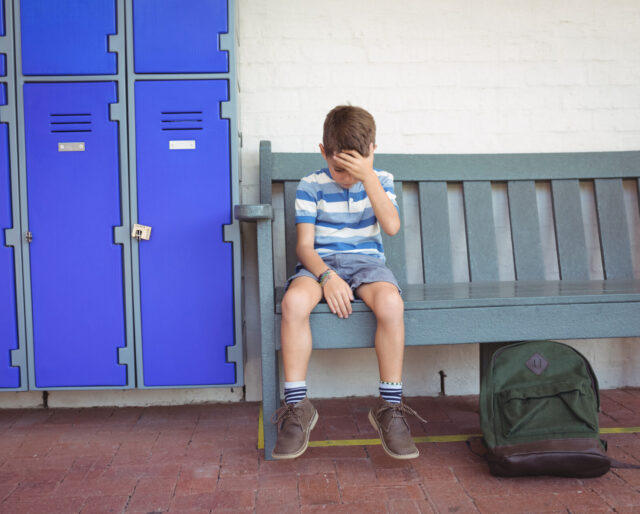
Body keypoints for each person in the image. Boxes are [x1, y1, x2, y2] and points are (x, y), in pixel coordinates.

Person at [272, 105, 426, 460]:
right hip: (319, 265)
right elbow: (305, 247)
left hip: (367, 265)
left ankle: (389, 407)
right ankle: (298, 408)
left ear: (372, 151)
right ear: (323, 152)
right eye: (338, 168)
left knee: (391, 304)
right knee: (293, 303)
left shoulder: (381, 180)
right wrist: (327, 277)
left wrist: (367, 176)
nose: (345, 178)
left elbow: (391, 227)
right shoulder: (311, 185)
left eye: (353, 168)